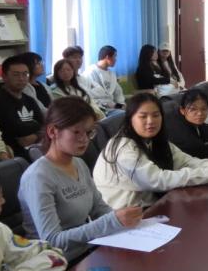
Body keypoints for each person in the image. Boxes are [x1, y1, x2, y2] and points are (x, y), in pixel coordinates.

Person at [18, 97, 142, 261]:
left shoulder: (79, 164)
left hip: (87, 250)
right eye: (76, 132)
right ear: (53, 131)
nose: (84, 139)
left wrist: (124, 220)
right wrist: (113, 221)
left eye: (89, 132)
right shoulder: (38, 177)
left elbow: (99, 209)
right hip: (55, 262)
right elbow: (52, 241)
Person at [94, 93, 208, 209]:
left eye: (156, 115)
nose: (151, 121)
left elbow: (185, 161)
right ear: (130, 119)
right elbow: (157, 180)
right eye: (143, 116)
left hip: (150, 207)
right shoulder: (123, 148)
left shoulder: (155, 140)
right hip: (122, 217)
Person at [0, 56, 44, 159]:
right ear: (4, 77)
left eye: (25, 74)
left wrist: (36, 135)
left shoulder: (29, 100)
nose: (21, 78)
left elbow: (44, 125)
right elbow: (14, 132)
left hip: (37, 149)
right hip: (14, 156)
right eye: (16, 74)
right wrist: (36, 131)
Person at [165, 89, 208, 160]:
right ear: (182, 110)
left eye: (204, 109)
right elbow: (205, 153)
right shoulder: (178, 129)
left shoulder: (197, 123)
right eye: (193, 109)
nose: (200, 113)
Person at [83, 45, 126, 116]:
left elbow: (118, 92)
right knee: (122, 115)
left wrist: (122, 104)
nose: (116, 59)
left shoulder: (112, 74)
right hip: (97, 109)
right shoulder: (90, 72)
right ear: (107, 57)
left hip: (112, 108)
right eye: (114, 56)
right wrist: (117, 106)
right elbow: (93, 97)